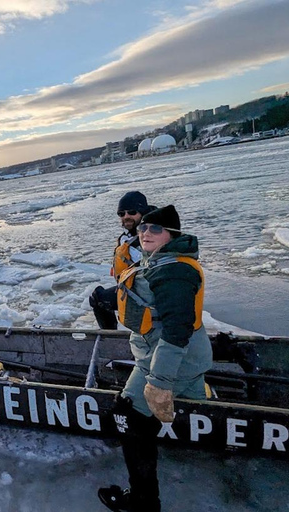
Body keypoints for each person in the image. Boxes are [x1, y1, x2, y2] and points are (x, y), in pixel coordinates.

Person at [98, 205, 213, 512]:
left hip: (171, 358)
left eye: (155, 229)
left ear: (172, 234)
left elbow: (177, 330)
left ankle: (144, 501)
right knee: (175, 399)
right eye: (143, 229)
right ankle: (199, 396)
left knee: (129, 418)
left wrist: (159, 384)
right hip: (167, 354)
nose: (146, 233)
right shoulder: (159, 260)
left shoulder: (174, 270)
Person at [89, 191, 155, 329]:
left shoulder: (150, 236)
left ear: (142, 212)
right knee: (99, 297)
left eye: (131, 212)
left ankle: (111, 337)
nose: (126, 217)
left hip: (146, 293)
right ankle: (112, 335)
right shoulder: (129, 236)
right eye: (121, 214)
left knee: (99, 298)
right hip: (132, 287)